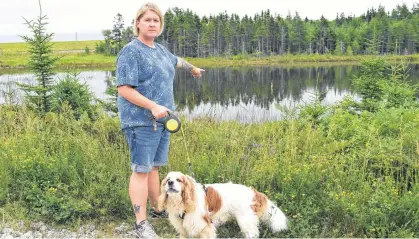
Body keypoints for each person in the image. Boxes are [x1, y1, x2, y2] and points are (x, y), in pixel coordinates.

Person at [116, 2, 204, 238]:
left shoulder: (161, 50)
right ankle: (141, 224)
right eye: (147, 20)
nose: (152, 24)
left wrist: (193, 68)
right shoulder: (131, 51)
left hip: (165, 121)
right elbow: (124, 89)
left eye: (156, 21)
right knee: (141, 170)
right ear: (138, 23)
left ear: (160, 25)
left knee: (155, 167)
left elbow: (177, 61)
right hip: (141, 121)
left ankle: (158, 209)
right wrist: (153, 106)